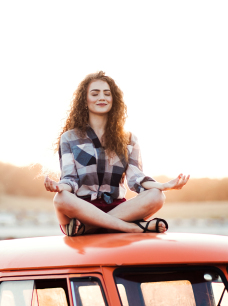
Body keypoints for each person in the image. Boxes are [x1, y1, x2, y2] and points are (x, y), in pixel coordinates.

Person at [44, 71, 189, 236]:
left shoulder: (129, 139)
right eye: (95, 93)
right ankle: (132, 228)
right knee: (61, 198)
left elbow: (136, 178)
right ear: (84, 100)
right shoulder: (69, 138)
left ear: (114, 99)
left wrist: (163, 186)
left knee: (157, 196)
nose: (102, 97)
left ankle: (90, 228)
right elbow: (70, 180)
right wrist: (58, 186)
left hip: (117, 209)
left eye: (107, 93)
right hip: (82, 210)